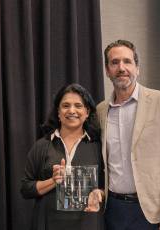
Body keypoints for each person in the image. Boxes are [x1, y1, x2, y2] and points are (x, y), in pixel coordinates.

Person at [96, 39, 160, 230]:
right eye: (114, 62)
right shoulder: (101, 111)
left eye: (127, 61)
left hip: (151, 211)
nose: (121, 67)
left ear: (137, 68)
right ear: (107, 70)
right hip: (113, 210)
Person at [20, 83, 105, 230]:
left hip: (88, 224)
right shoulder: (42, 146)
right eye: (65, 106)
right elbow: (26, 189)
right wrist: (53, 181)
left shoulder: (99, 147)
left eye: (78, 105)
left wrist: (100, 194)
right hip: (47, 223)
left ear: (87, 112)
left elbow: (108, 187)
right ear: (58, 113)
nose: (72, 110)